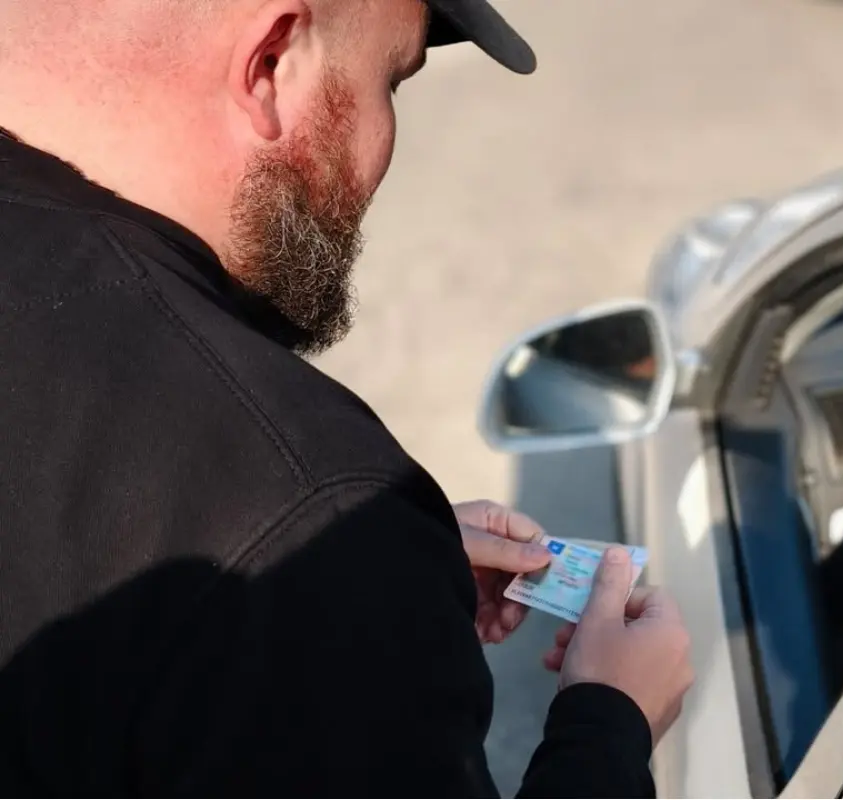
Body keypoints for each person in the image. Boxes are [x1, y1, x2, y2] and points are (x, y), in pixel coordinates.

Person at [0, 0, 694, 795]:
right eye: (391, 80)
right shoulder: (298, 502)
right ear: (268, 65)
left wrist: (371, 566)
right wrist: (608, 725)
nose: (385, 142)